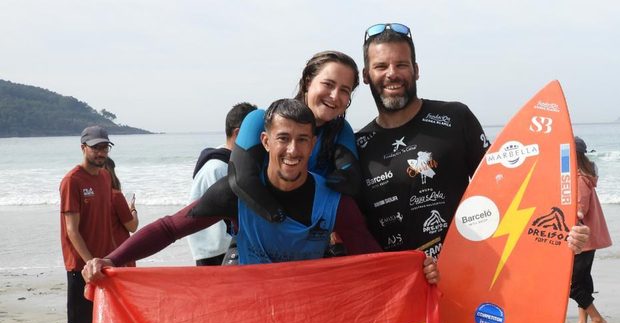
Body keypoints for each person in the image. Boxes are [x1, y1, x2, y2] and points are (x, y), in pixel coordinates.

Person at [82, 99, 440, 283]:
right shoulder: (236, 194)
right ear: (266, 141)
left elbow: (371, 257)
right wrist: (112, 259)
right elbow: (170, 228)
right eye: (283, 139)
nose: (293, 150)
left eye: (303, 140)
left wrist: (416, 270)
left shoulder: (333, 202)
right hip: (248, 307)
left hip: (307, 311)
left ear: (313, 142)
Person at [356, 23, 589, 257]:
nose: (392, 73)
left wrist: (561, 229)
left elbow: (505, 187)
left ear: (416, 70)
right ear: (366, 75)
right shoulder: (359, 145)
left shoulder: (454, 118)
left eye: (401, 64)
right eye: (381, 66)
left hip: (468, 271)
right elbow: (351, 225)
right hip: (399, 284)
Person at [229, 51, 362, 224]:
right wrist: (278, 217)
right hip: (259, 229)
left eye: (345, 90)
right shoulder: (259, 120)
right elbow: (240, 179)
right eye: (328, 84)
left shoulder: (340, 130)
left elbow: (350, 181)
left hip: (308, 234)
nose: (335, 95)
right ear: (308, 82)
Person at [59, 125, 117, 323]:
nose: (101, 152)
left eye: (105, 147)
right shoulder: (72, 181)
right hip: (80, 264)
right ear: (83, 148)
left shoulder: (105, 177)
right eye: (96, 148)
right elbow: (71, 230)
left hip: (105, 260)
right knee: (80, 319)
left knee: (104, 316)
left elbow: (107, 220)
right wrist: (89, 261)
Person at [188, 102, 256, 266]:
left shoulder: (223, 160)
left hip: (215, 248)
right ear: (238, 134)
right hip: (215, 250)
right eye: (256, 133)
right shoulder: (218, 168)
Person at [566, 137, 612, 323]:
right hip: (586, 239)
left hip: (582, 239)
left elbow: (579, 210)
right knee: (583, 280)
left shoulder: (579, 179)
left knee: (572, 284)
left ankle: (597, 319)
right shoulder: (583, 176)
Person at [104, 157, 139, 266]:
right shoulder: (115, 196)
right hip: (119, 249)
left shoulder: (93, 196)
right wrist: (133, 209)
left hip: (101, 249)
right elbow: (132, 227)